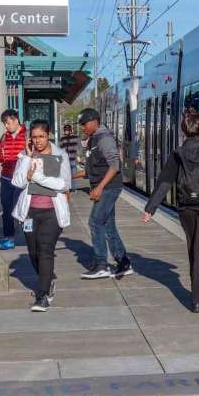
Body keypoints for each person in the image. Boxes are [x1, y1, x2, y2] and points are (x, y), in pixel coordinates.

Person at [142, 111, 199, 313]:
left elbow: (165, 181)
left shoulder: (177, 154)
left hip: (186, 207)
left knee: (193, 249)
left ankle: (196, 296)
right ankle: (198, 299)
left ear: (183, 133)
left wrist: (151, 208)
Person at [11, 120, 72, 311]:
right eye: (34, 137)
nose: (37, 141)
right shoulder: (25, 155)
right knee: (33, 252)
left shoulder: (59, 155)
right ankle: (47, 281)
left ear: (49, 135)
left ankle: (42, 295)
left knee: (45, 250)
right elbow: (18, 182)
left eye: (41, 136)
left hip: (52, 213)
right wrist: (27, 158)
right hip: (30, 213)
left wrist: (36, 177)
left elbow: (63, 184)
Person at [75, 108, 132, 279]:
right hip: (104, 186)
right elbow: (91, 170)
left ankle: (101, 264)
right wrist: (68, 176)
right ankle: (123, 262)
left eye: (84, 124)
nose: (82, 127)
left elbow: (115, 165)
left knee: (94, 222)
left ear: (94, 121)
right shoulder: (93, 140)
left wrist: (99, 187)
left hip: (109, 187)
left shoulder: (104, 138)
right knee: (108, 225)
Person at [0, 109, 27, 250]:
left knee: (26, 208)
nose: (6, 126)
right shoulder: (4, 138)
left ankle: (30, 236)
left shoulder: (28, 135)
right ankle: (9, 237)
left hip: (23, 180)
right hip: (6, 178)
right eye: (4, 124)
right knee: (7, 209)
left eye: (7, 123)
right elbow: (1, 157)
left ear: (15, 120)